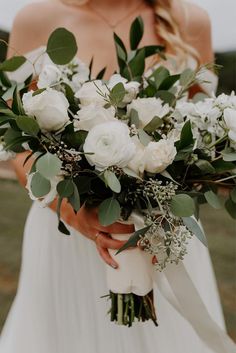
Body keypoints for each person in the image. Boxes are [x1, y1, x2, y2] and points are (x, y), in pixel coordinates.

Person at [0, 0, 229, 352]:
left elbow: (200, 136)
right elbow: (20, 145)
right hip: (66, 234)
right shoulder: (38, 17)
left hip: (162, 243)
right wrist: (76, 216)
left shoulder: (190, 21)